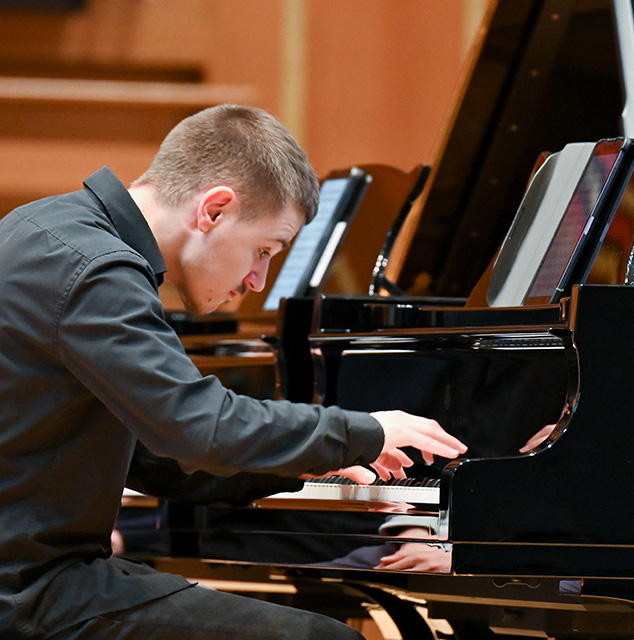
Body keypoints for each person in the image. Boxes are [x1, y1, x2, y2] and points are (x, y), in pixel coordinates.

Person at [0, 103, 467, 640]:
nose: (259, 281)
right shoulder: (97, 270)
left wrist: (304, 467)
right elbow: (199, 428)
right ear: (215, 210)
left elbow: (154, 459)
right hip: (29, 594)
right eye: (263, 250)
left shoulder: (46, 227)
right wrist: (363, 431)